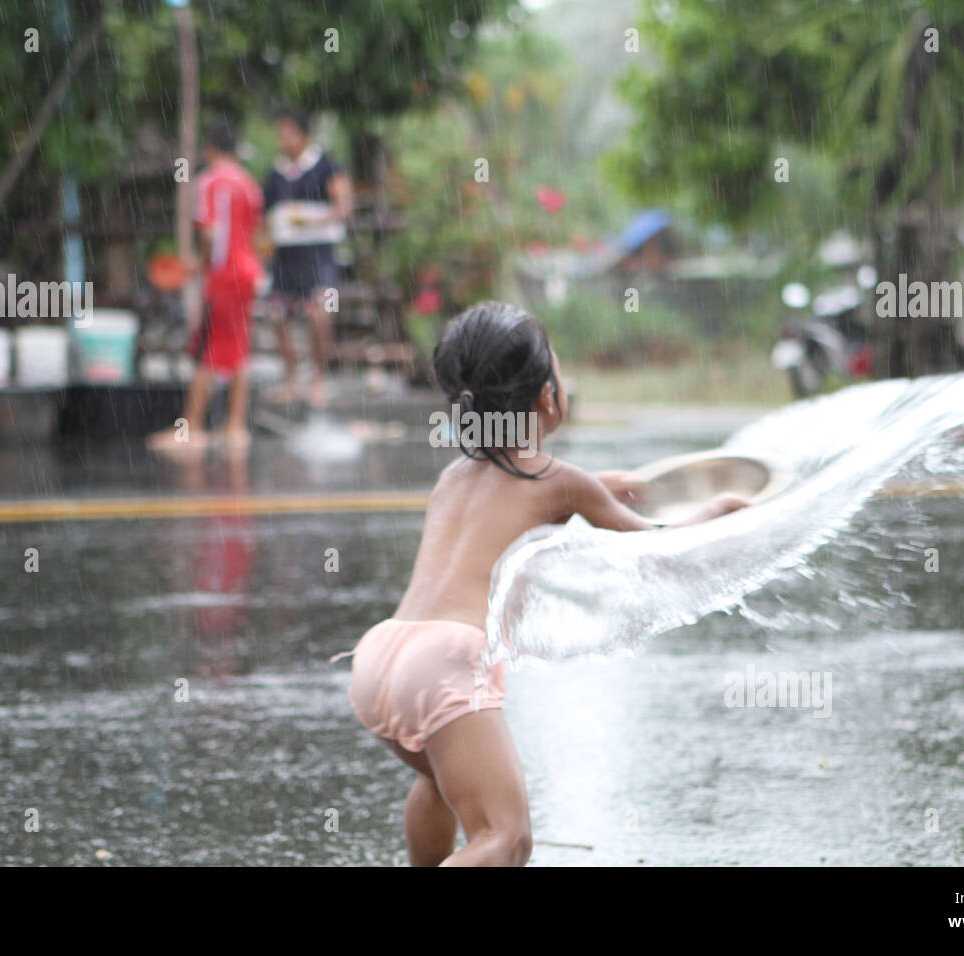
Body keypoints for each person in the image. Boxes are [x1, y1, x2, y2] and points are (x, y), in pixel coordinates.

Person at [334, 302, 750, 866]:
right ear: (548, 397)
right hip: (445, 663)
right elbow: (656, 548)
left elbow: (516, 500)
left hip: (383, 656)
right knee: (506, 839)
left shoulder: (456, 476)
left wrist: (594, 490)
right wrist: (719, 512)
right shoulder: (561, 481)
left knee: (440, 782)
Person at [149, 119, 263, 452]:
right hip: (247, 273)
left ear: (209, 149)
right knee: (239, 350)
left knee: (208, 352)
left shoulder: (208, 182)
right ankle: (234, 428)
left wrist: (202, 262)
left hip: (223, 276)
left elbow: (212, 232)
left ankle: (192, 429)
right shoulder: (249, 184)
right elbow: (254, 234)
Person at [260, 108, 354, 409]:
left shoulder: (326, 166)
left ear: (304, 135)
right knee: (276, 314)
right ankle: (292, 379)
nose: (283, 140)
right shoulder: (275, 174)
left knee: (319, 314)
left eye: (288, 133)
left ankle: (318, 379)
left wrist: (310, 219)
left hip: (319, 253)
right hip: (286, 255)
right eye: (281, 134)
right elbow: (264, 217)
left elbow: (344, 206)